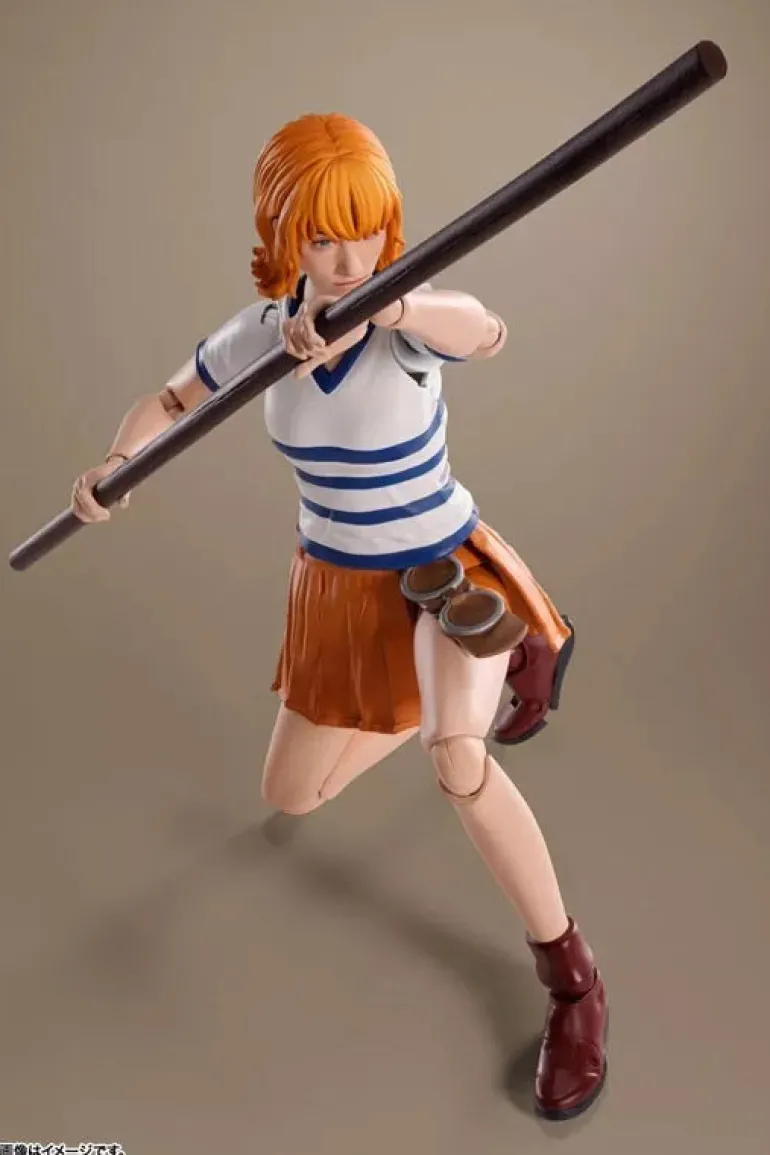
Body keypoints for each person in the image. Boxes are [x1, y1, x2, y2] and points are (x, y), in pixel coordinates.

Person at [69, 112, 608, 1122]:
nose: (349, 257)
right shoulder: (257, 334)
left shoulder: (407, 321)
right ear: (286, 237)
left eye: (364, 230)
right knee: (292, 794)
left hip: (446, 576)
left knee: (458, 763)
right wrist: (116, 463)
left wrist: (402, 303)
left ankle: (572, 979)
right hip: (337, 586)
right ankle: (515, 657)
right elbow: (172, 403)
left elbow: (486, 331)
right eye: (323, 236)